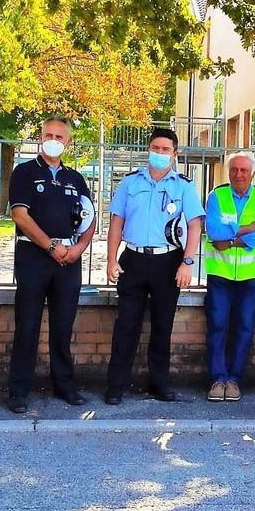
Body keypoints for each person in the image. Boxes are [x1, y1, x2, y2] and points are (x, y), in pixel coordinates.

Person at [103, 127, 204, 405]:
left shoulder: (183, 186)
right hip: (133, 260)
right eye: (155, 148)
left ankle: (159, 384)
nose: (159, 154)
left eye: (165, 150)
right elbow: (116, 223)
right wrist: (112, 259)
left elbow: (195, 226)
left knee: (162, 326)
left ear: (174, 153)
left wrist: (187, 262)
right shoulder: (130, 183)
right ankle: (115, 386)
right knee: (126, 325)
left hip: (168, 261)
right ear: (149, 149)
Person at [6, 115, 96, 413]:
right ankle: (19, 390)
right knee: (28, 325)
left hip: (69, 259)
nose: (53, 140)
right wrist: (50, 246)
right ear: (39, 137)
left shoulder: (76, 178)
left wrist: (79, 248)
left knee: (63, 325)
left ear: (68, 142)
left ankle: (64, 385)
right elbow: (20, 215)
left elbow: (89, 217)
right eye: (48, 135)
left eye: (59, 137)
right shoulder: (24, 172)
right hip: (34, 256)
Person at [203, 152, 255, 402]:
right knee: (217, 326)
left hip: (250, 277)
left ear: (253, 173)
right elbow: (213, 231)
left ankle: (234, 380)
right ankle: (217, 378)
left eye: (244, 170)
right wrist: (246, 230)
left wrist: (231, 239)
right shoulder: (217, 196)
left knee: (244, 328)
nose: (238, 174)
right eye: (234, 169)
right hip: (220, 274)